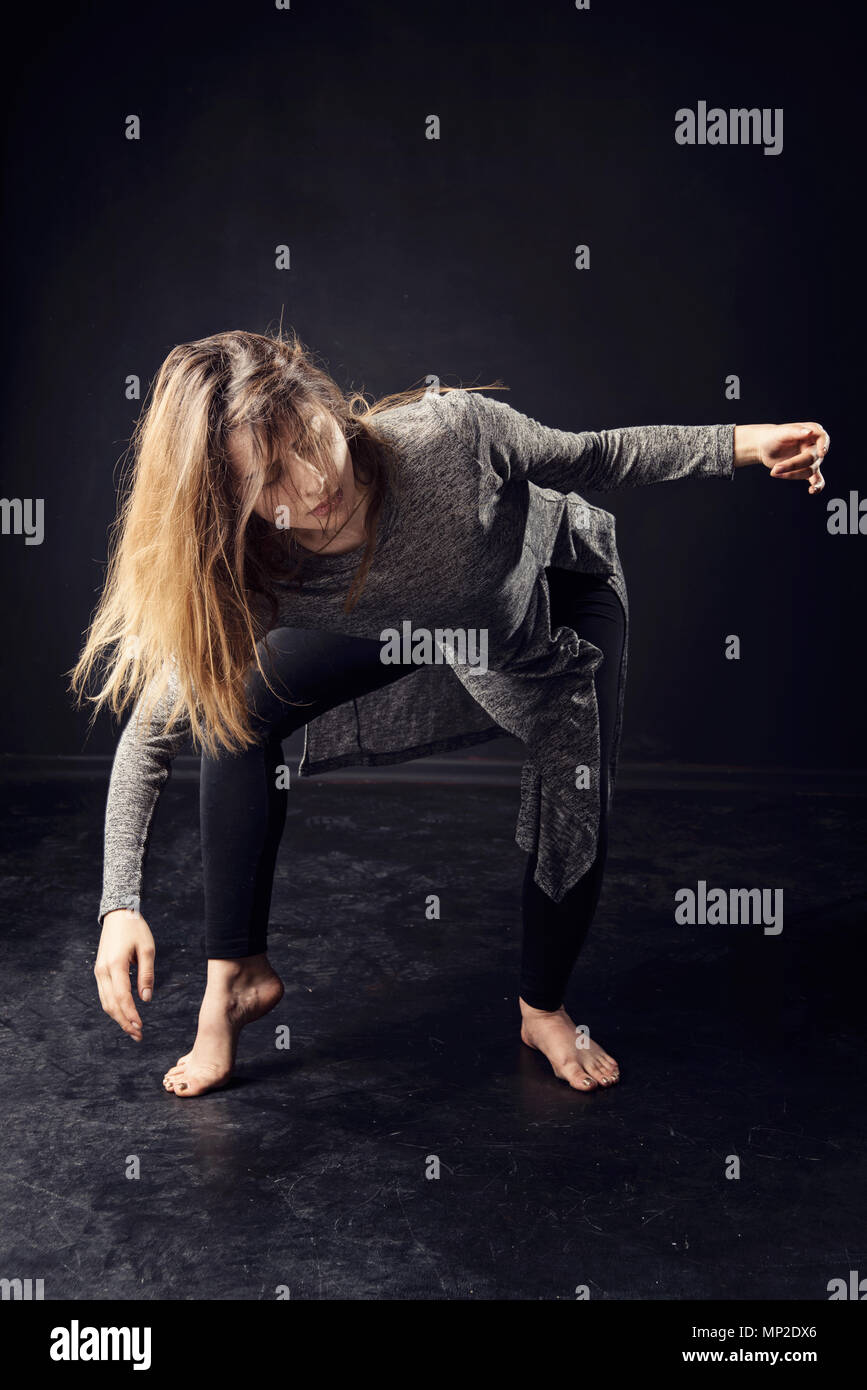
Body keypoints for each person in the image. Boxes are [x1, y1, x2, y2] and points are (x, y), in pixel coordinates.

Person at [71, 329, 829, 1098]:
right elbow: (152, 729)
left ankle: (542, 1008)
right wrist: (119, 904)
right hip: (411, 625)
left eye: (308, 438)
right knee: (230, 709)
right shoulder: (254, 563)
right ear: (231, 499)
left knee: (577, 796)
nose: (311, 484)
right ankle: (234, 978)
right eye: (268, 479)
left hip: (543, 605)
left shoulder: (455, 438)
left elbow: (599, 455)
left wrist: (747, 441)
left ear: (321, 398)